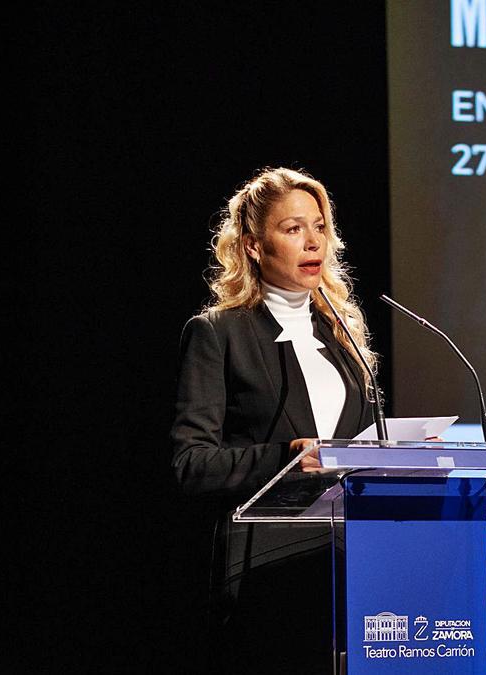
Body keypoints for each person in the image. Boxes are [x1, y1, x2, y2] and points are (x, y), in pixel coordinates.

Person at [169, 167, 376, 672]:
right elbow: (191, 464)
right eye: (293, 229)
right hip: (267, 567)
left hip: (349, 562)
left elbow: (358, 446)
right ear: (256, 247)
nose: (313, 242)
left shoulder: (341, 336)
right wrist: (284, 457)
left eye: (320, 227)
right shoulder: (219, 333)